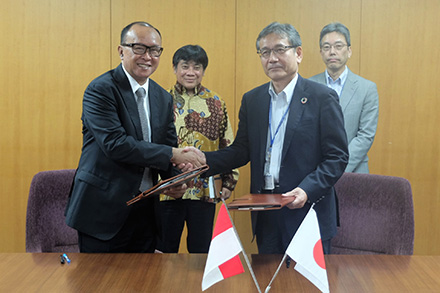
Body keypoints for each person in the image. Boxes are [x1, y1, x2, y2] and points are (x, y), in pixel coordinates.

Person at [204, 22, 348, 254]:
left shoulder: (322, 98)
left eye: (280, 50)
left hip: (307, 211)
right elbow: (241, 150)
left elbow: (337, 157)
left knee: (307, 288)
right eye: (265, 52)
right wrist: (203, 160)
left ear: (298, 53)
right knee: (268, 283)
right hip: (266, 211)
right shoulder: (253, 100)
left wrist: (307, 189)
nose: (272, 58)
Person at [65, 21, 205, 253]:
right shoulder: (100, 89)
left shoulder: (162, 97)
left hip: (146, 214)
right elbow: (116, 145)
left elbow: (167, 148)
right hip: (103, 211)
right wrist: (173, 154)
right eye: (139, 48)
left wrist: (178, 178)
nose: (147, 57)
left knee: (145, 285)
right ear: (121, 51)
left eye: (154, 50)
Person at [158, 45, 239, 253]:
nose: (191, 72)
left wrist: (230, 180)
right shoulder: (160, 100)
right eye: (185, 66)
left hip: (204, 190)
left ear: (203, 70)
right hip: (168, 188)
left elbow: (227, 143)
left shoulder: (216, 103)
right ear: (175, 68)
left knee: (201, 252)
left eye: (197, 67)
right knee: (164, 251)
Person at [309, 22, 379, 173]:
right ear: (321, 52)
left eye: (338, 46)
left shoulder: (367, 89)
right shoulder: (308, 86)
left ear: (349, 51)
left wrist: (337, 168)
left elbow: (365, 136)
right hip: (315, 172)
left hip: (354, 170)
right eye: (326, 47)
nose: (332, 52)